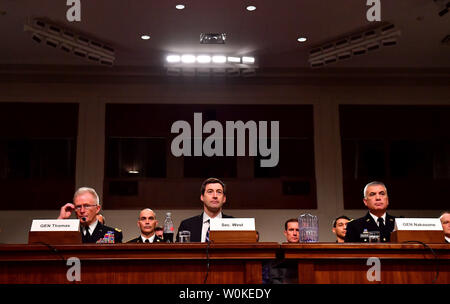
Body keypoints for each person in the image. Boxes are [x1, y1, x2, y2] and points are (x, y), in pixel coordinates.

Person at [176, 177, 233, 242]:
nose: (215, 196)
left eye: (219, 192)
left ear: (224, 199)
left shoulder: (235, 224)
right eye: (210, 192)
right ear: (202, 197)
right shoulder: (187, 225)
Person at [58, 187, 123, 243]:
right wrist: (60, 220)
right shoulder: (69, 234)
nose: (82, 211)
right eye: (78, 207)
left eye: (86, 206)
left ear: (97, 209)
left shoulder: (112, 234)